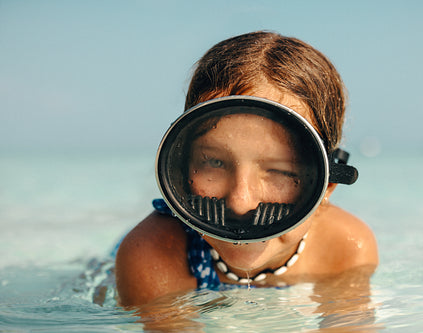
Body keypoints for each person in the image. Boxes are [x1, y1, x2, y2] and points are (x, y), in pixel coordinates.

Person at [115, 31, 378, 307]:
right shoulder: (152, 255)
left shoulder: (346, 250)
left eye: (281, 171)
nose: (241, 203)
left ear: (327, 185)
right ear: (181, 170)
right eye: (214, 162)